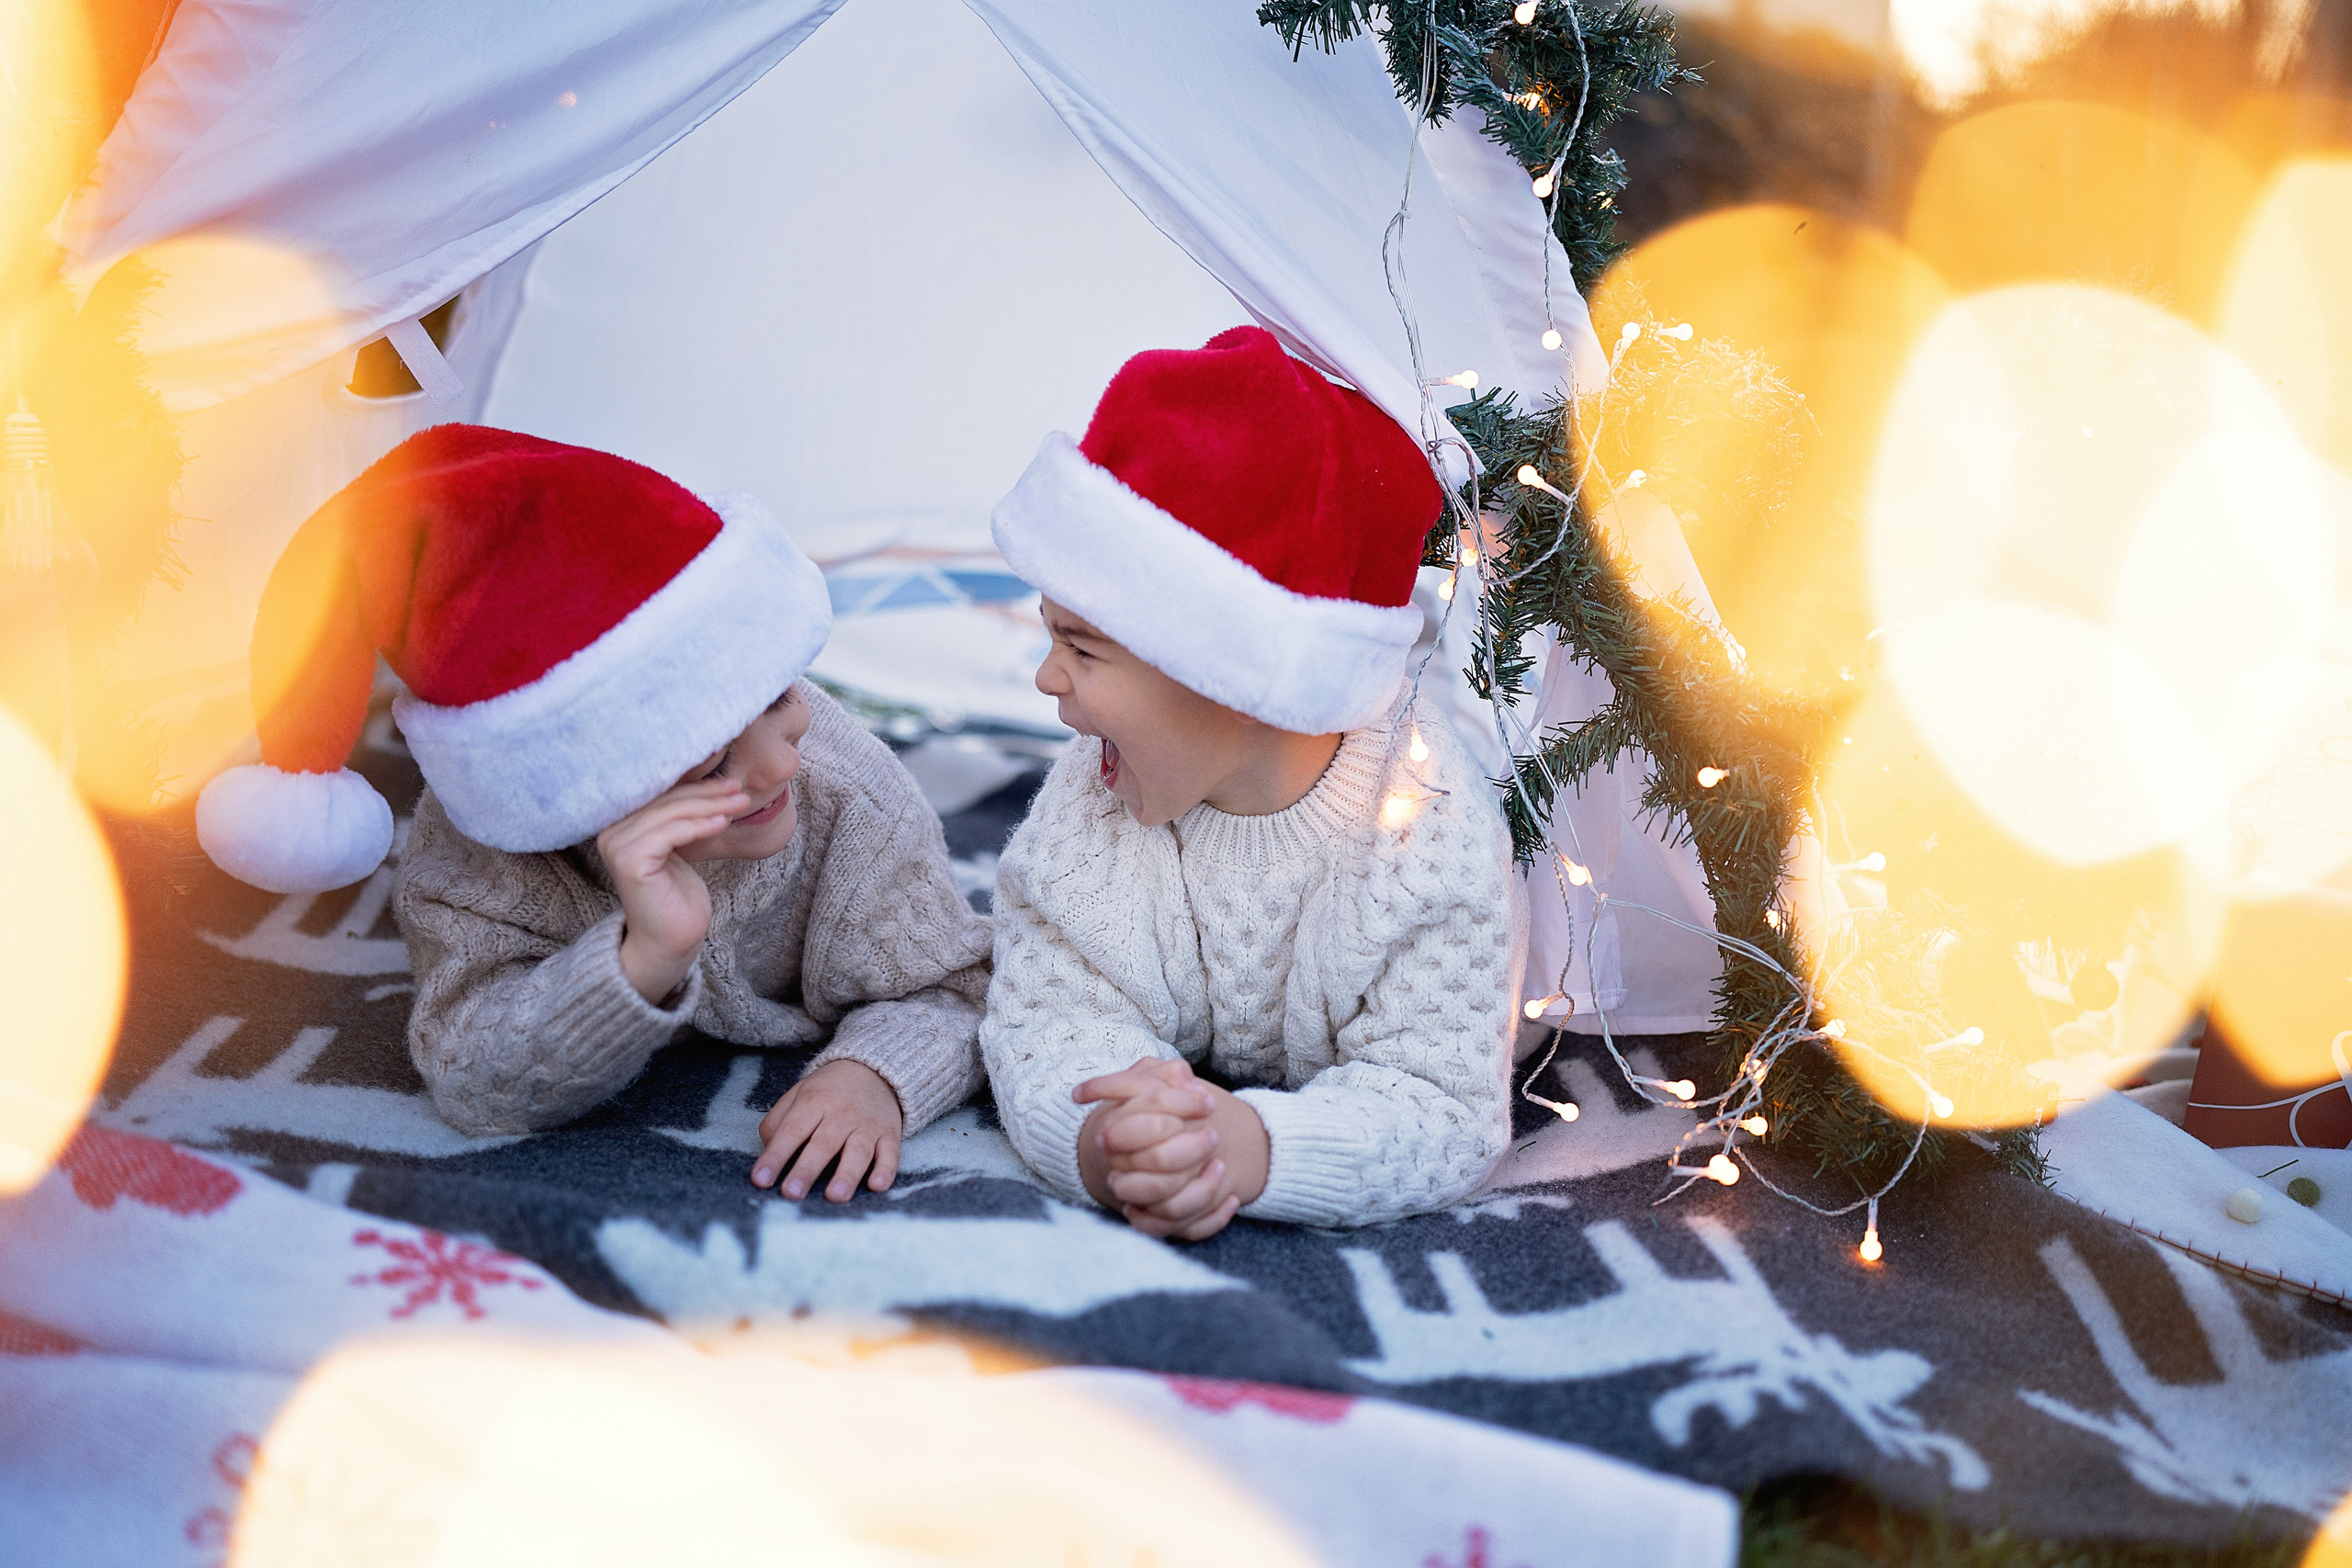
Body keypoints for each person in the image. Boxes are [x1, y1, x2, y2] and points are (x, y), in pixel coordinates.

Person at [195, 425, 989, 1201]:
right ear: (571, 793)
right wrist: (642, 955)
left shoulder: (847, 797)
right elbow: (472, 1080)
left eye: (778, 694)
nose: (781, 762)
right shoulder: (480, 858)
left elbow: (957, 984)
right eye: (712, 763)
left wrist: (873, 1077)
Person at [979, 328, 1522, 1240]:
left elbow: (1442, 1105)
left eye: (1079, 647)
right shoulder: (1092, 808)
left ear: (1235, 679)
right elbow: (1047, 1020)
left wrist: (1256, 1147)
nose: (1045, 678)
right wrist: (1118, 1135)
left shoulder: (1426, 842)